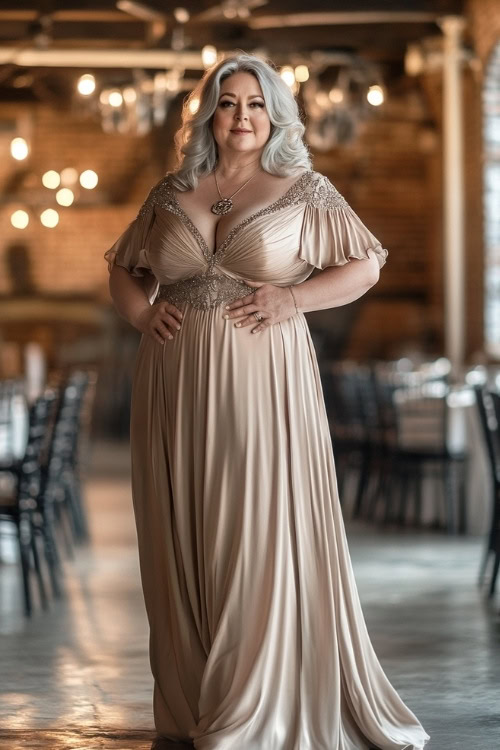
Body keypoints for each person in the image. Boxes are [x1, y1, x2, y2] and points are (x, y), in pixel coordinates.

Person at [104, 52, 430, 750]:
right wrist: (140, 316)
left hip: (264, 379)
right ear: (210, 113)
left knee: (250, 524)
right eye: (229, 103)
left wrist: (296, 297)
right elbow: (124, 271)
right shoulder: (171, 190)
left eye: (255, 103)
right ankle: (198, 698)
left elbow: (365, 264)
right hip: (173, 382)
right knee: (182, 525)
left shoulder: (303, 187)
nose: (242, 116)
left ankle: (255, 697)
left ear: (275, 112)